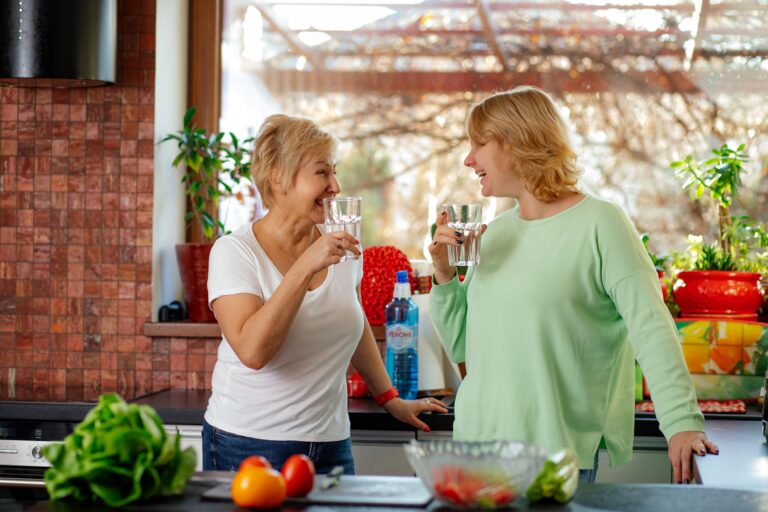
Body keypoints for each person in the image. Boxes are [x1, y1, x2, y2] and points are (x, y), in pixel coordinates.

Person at [428, 86, 718, 485]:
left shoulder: (601, 223)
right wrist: (443, 275)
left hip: (552, 456)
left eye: (479, 143)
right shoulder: (492, 235)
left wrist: (682, 421)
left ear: (518, 142)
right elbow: (464, 346)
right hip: (474, 450)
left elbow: (650, 324)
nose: (468, 158)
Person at [204, 114, 446, 474]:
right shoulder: (234, 252)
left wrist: (390, 398)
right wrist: (305, 267)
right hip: (248, 443)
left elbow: (353, 319)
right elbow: (253, 352)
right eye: (321, 172)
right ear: (278, 178)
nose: (335, 185)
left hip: (331, 442)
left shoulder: (342, 247)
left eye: (335, 171)